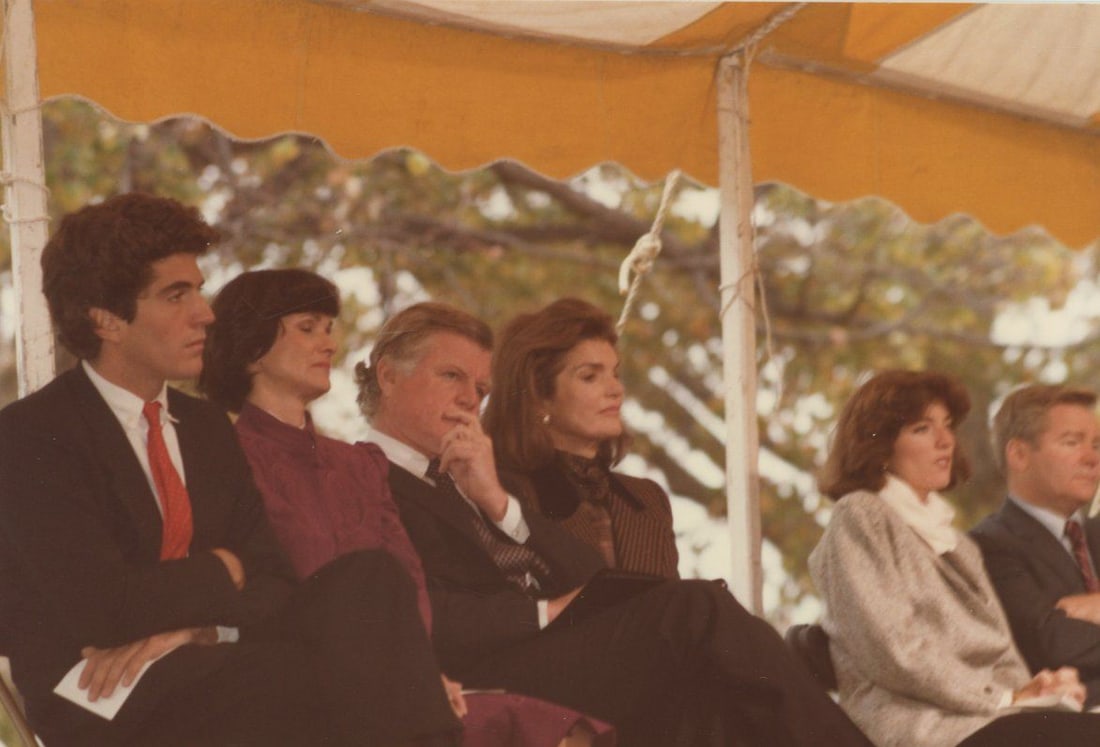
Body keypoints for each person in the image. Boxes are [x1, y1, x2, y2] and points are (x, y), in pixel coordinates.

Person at [0, 193, 462, 746]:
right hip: (103, 692)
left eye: (198, 290)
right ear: (106, 319)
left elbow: (273, 582)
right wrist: (225, 567)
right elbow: (104, 608)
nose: (205, 313)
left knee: (371, 578)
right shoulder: (33, 433)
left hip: (210, 661)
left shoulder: (204, 427)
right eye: (177, 295)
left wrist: (201, 629)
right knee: (323, 676)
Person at [353, 301, 875, 747]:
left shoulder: (471, 475)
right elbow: (407, 609)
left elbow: (595, 581)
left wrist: (496, 500)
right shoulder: (357, 477)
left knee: (710, 678)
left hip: (547, 655)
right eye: (451, 376)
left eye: (480, 387)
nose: (470, 399)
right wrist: (542, 611)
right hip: (475, 674)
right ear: (388, 375)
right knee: (697, 609)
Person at [199, 268, 614, 747]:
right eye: (308, 328)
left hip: (399, 675)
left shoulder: (359, 464)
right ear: (253, 347)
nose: (329, 344)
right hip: (297, 675)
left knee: (571, 731)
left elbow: (409, 580)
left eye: (329, 329)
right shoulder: (224, 456)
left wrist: (419, 670)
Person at [809, 369, 1100, 747]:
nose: (946, 440)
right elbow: (896, 652)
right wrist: (1002, 697)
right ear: (878, 444)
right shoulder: (860, 516)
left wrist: (1037, 690)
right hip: (919, 727)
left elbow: (1002, 653)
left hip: (986, 719)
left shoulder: (956, 543)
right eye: (922, 429)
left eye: (947, 426)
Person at [483, 298, 678, 578]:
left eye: (615, 373)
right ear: (539, 396)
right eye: (590, 377)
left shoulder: (649, 498)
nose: (616, 389)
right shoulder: (503, 493)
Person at [970, 384, 1100, 706]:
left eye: (1097, 444)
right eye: (1072, 442)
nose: (1092, 458)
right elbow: (1052, 644)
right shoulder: (987, 545)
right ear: (1019, 455)